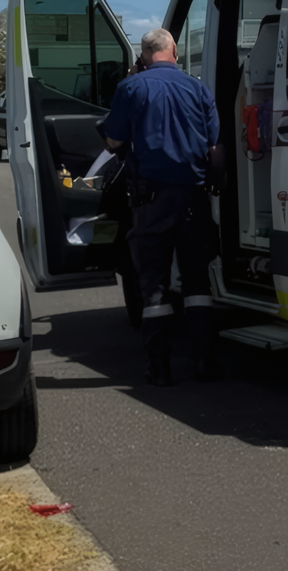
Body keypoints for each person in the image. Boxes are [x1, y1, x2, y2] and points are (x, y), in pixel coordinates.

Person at [101, 28, 223, 385]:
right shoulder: (198, 88)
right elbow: (214, 145)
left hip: (151, 200)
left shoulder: (131, 88)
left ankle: (159, 366)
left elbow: (113, 139)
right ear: (173, 51)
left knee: (153, 286)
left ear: (143, 55)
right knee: (197, 282)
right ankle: (203, 360)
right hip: (194, 197)